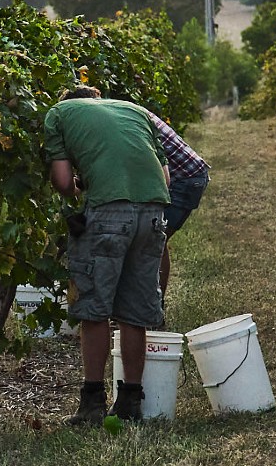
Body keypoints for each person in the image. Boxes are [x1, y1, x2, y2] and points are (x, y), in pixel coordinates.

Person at [43, 88, 171, 426]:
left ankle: (92, 403)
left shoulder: (58, 113)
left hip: (108, 213)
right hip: (154, 212)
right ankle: (130, 401)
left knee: (94, 308)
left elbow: (62, 180)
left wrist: (77, 190)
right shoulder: (136, 108)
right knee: (135, 311)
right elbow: (165, 177)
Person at [72, 86, 211, 307]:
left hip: (182, 178)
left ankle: (152, 308)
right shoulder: (120, 113)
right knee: (149, 239)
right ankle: (148, 308)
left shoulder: (114, 121)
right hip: (181, 175)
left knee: (153, 240)